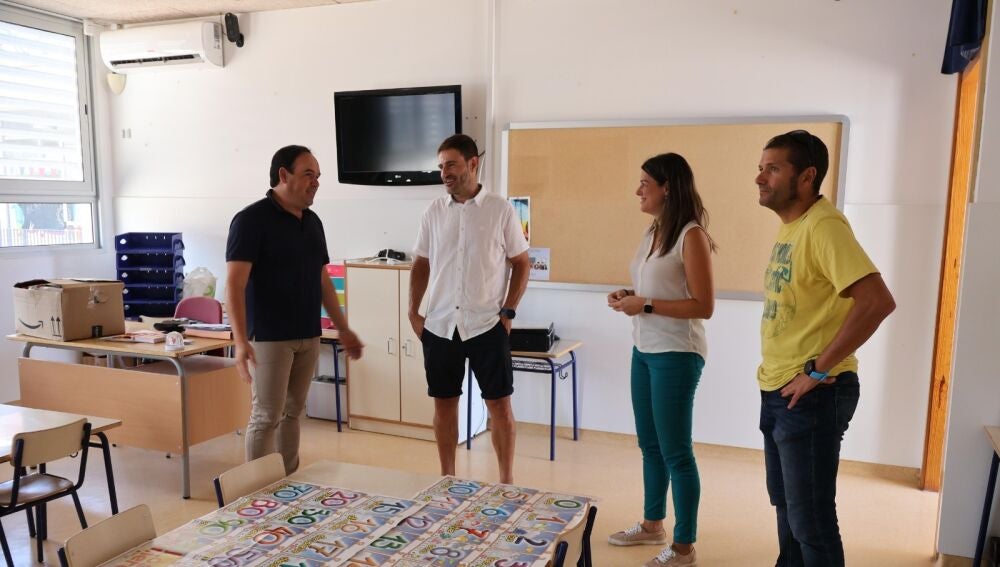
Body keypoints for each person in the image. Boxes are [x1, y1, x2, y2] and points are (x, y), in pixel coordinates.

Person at [755, 130, 895, 566]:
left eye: (773, 168)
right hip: (779, 389)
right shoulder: (794, 226)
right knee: (788, 512)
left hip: (814, 394)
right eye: (761, 168)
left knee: (811, 523)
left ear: (806, 177)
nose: (760, 178)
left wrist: (816, 369)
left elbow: (877, 301)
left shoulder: (823, 226)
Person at [226, 145, 363, 475]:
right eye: (308, 174)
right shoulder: (251, 220)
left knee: (292, 413)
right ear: (283, 175)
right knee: (266, 416)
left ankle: (286, 483)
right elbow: (234, 284)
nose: (316, 182)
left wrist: (342, 328)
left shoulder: (312, 222)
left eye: (318, 176)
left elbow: (322, 279)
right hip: (269, 337)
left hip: (308, 334)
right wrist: (241, 341)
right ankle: (257, 489)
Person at [606, 153, 715, 567]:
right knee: (650, 446)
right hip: (644, 350)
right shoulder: (653, 230)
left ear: (667, 188)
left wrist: (646, 304)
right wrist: (629, 296)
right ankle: (653, 525)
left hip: (677, 354)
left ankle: (684, 547)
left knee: (676, 453)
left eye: (644, 184)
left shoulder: (691, 235)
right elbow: (654, 288)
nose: (638, 191)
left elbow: (703, 305)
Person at [408, 134, 530, 484]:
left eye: (451, 164)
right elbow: (421, 263)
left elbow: (522, 263)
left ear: (473, 163)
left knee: (499, 405)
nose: (444, 173)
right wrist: (413, 312)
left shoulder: (500, 210)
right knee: (444, 404)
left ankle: (506, 481)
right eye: (441, 166)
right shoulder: (433, 212)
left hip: (487, 324)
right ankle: (447, 477)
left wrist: (508, 311)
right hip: (440, 324)